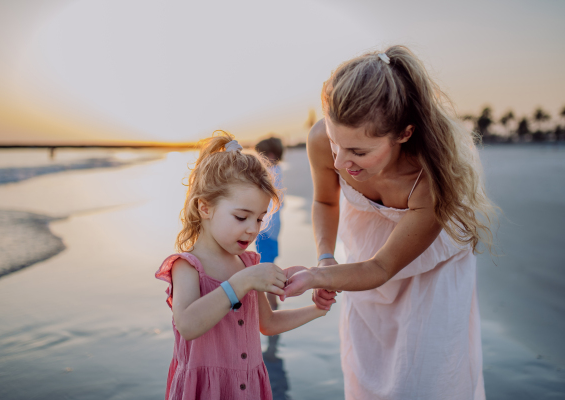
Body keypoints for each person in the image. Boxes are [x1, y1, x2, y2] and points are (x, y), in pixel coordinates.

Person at [283, 46, 495, 399]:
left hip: (429, 276)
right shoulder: (322, 140)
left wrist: (317, 278)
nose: (340, 162)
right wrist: (325, 259)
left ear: (404, 134)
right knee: (366, 377)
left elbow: (382, 267)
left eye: (359, 153)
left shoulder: (430, 179)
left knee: (425, 380)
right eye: (336, 144)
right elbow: (324, 200)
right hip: (360, 270)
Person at [155, 131, 328, 400]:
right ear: (205, 208)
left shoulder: (247, 263)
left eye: (259, 219)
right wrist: (242, 281)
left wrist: (317, 308)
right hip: (206, 390)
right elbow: (187, 324)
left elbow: (267, 323)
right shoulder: (187, 267)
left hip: (248, 388)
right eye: (241, 217)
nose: (252, 230)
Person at [255, 136, 284, 310]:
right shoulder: (278, 170)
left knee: (266, 266)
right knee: (268, 263)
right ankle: (272, 303)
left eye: (260, 156)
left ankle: (271, 306)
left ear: (270, 156)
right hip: (272, 226)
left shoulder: (272, 172)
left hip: (267, 228)